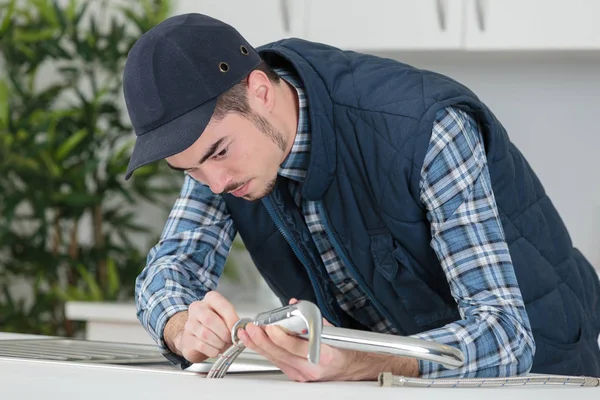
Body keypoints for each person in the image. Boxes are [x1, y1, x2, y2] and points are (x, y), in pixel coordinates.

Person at [122, 13, 600, 381]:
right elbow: (171, 269)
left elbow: (507, 335)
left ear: (260, 91)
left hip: (543, 377)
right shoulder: (216, 148)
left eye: (218, 154)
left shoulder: (426, 129)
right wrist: (181, 325)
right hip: (390, 384)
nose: (215, 183)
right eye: (189, 169)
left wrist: (362, 361)